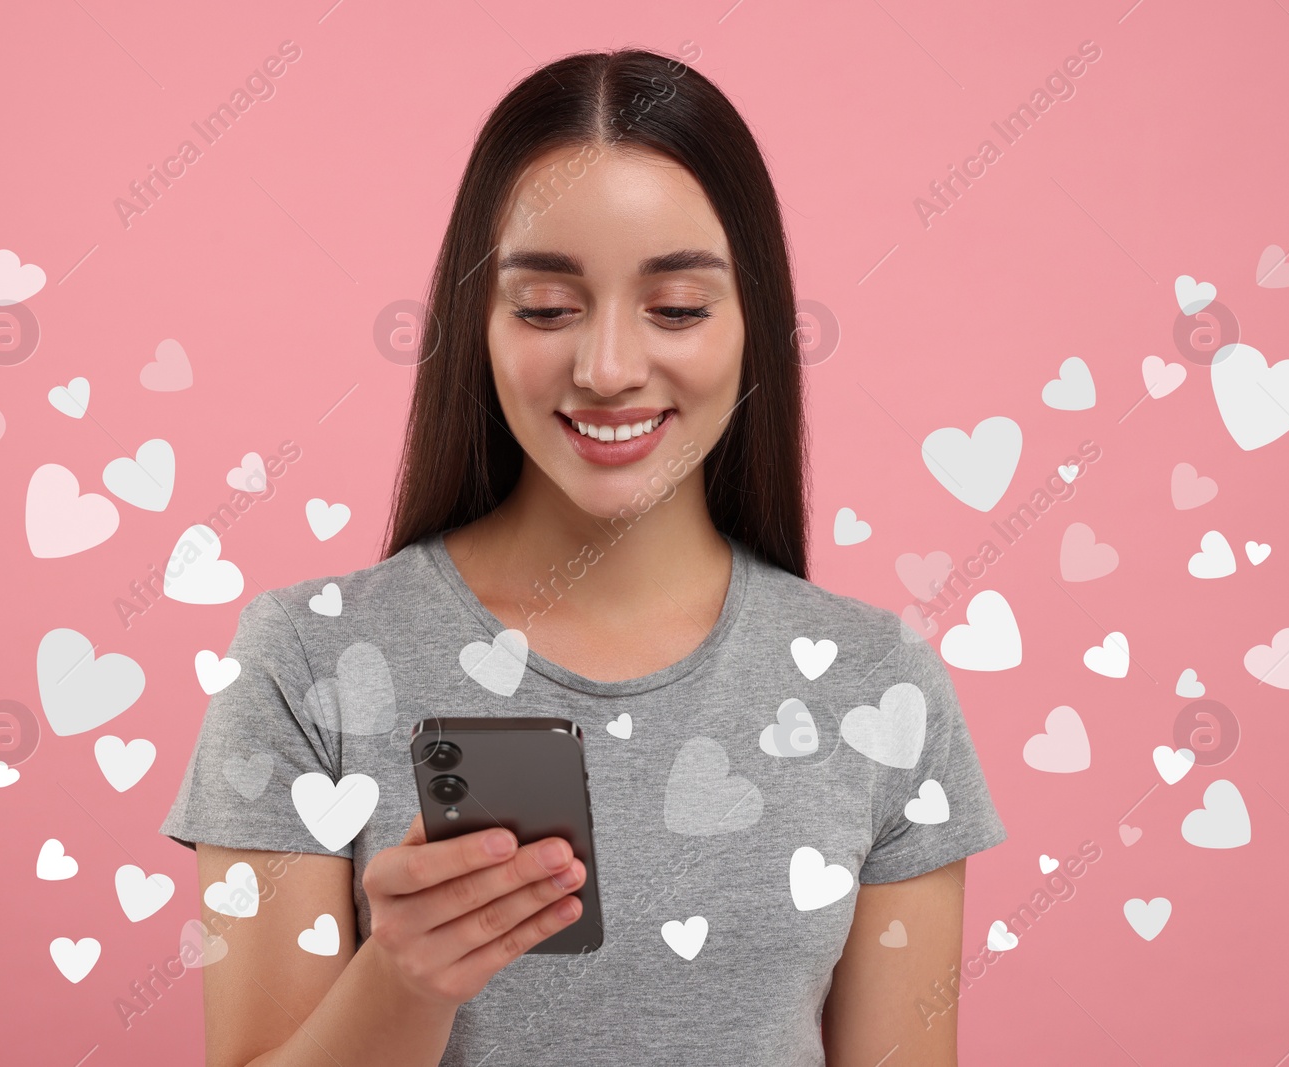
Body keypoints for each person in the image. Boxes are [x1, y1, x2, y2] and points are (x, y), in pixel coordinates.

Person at [158, 46, 1008, 1067]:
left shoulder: (881, 689)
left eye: (679, 307)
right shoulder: (305, 663)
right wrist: (402, 978)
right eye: (546, 308)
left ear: (754, 328)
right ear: (476, 321)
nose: (607, 367)